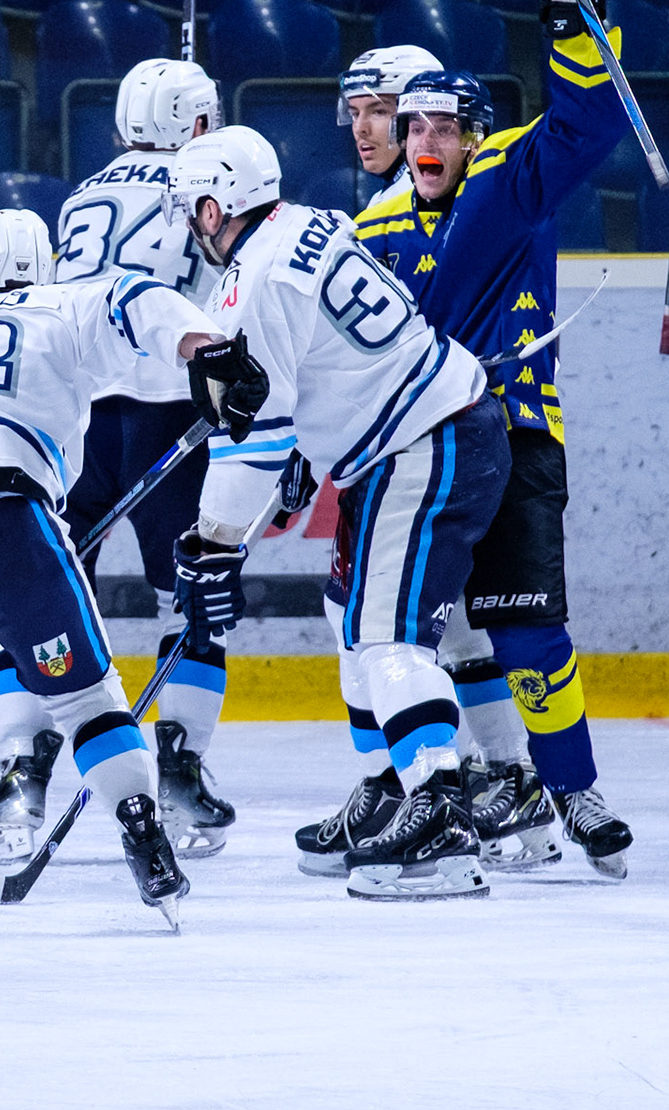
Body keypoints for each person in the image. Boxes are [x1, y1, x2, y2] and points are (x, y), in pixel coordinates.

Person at [332, 0, 639, 879]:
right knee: (380, 626)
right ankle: (414, 790)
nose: (426, 141)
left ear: (475, 136)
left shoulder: (507, 184)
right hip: (413, 453)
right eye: (414, 127)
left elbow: (586, 125)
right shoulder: (372, 225)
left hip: (512, 433)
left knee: (527, 627)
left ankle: (567, 787)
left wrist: (571, 17)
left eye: (445, 128)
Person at [162, 125, 514, 900]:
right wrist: (300, 451)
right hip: (406, 440)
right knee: (344, 612)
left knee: (389, 640)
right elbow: (315, 370)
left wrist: (214, 543)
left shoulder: (252, 284)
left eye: (193, 211)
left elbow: (256, 437)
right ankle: (388, 788)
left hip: (424, 442)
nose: (193, 227)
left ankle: (440, 811)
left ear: (216, 208)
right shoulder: (307, 222)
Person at [0, 204, 251, 923]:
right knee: (94, 692)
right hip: (18, 510)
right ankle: (154, 826)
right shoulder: (62, 305)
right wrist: (207, 349)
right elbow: (138, 296)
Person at [55, 57, 236, 856]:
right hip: (172, 412)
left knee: (48, 593)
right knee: (194, 596)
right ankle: (180, 769)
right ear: (195, 123)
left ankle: (25, 768)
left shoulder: (79, 197)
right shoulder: (209, 183)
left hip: (80, 419)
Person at [337, 44, 441, 205]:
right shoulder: (386, 197)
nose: (360, 128)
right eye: (355, 114)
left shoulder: (425, 197)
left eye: (378, 112)